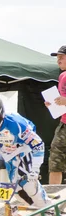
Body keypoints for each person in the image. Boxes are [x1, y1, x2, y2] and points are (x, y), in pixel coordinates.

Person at [0, 96, 51, 208]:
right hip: (8, 151)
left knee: (29, 185)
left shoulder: (16, 124)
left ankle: (47, 208)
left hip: (25, 146)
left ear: (0, 116)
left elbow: (38, 145)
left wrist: (35, 170)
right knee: (16, 190)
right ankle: (38, 213)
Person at [46, 45, 66, 185]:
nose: (58, 60)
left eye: (61, 57)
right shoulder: (62, 76)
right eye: (57, 58)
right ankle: (54, 199)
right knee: (55, 160)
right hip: (63, 124)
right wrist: (52, 103)